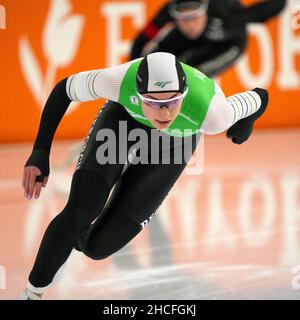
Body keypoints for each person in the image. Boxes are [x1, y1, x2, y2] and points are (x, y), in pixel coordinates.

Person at [20, 52, 268, 299]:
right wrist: (40, 152)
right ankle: (32, 294)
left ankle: (71, 243)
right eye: (152, 102)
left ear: (184, 94)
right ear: (137, 94)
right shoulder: (118, 80)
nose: (163, 113)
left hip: (175, 142)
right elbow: (64, 89)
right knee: (80, 210)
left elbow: (261, 96)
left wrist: (247, 120)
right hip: (123, 121)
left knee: (98, 247)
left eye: (172, 101)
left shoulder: (214, 113)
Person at [130, 0, 286, 77]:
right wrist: (133, 73)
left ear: (205, 10)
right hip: (184, 40)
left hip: (229, 44)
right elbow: (141, 40)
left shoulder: (224, 10)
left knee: (191, 75)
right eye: (184, 18)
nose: (190, 25)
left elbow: (276, 5)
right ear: (174, 15)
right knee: (153, 63)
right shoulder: (166, 13)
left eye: (194, 17)